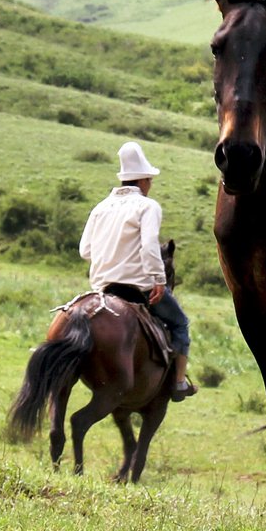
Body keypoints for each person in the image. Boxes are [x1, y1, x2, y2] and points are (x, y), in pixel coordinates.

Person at [79, 141, 195, 401]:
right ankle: (178, 383)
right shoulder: (147, 206)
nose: (149, 185)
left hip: (102, 289)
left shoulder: (100, 208)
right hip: (137, 288)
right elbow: (149, 247)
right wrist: (158, 280)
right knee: (180, 323)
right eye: (149, 180)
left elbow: (85, 251)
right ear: (142, 181)